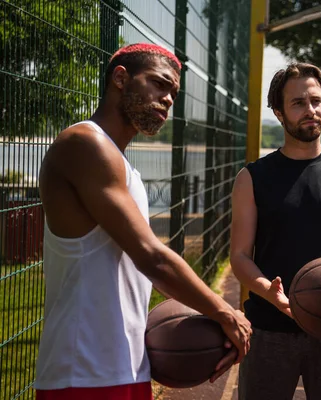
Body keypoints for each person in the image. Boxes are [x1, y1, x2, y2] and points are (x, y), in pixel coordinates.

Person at [35, 43, 252, 400]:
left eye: (174, 92)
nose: (168, 98)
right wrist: (226, 313)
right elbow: (153, 258)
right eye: (159, 84)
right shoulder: (85, 143)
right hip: (82, 373)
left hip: (126, 367)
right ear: (120, 78)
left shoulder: (124, 167)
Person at [230, 62, 321, 400]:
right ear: (279, 113)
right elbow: (239, 256)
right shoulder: (252, 178)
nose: (310, 110)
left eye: (316, 100)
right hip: (268, 327)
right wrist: (271, 293)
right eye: (298, 103)